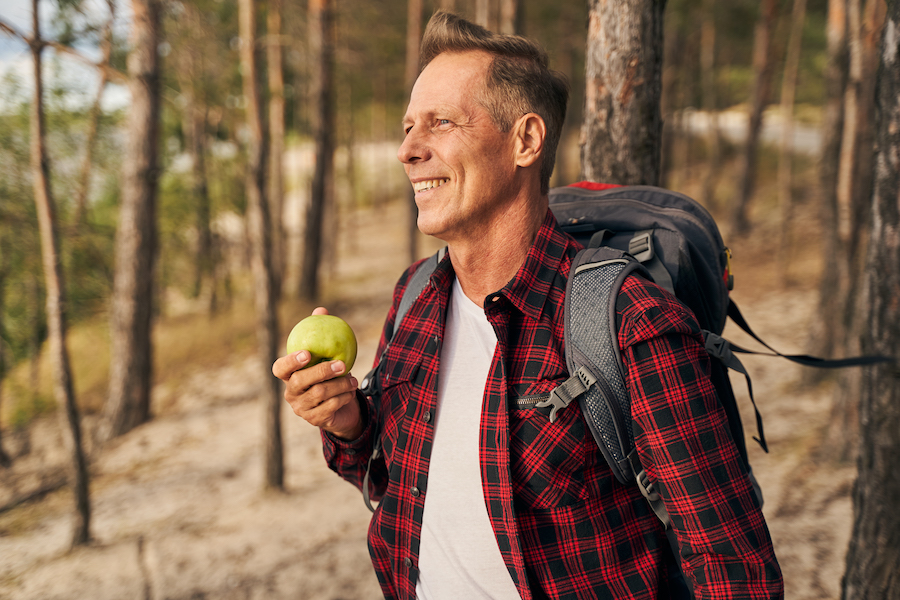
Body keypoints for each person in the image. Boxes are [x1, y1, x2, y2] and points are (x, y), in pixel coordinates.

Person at [272, 11, 783, 600]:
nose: (407, 150)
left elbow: (733, 567)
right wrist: (346, 423)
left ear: (525, 141)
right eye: (409, 126)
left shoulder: (628, 323)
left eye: (441, 123)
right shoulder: (413, 298)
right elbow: (391, 478)